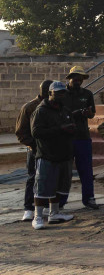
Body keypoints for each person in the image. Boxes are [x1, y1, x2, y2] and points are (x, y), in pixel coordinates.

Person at [29, 81, 76, 229]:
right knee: (42, 186)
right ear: (50, 93)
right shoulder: (41, 111)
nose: (62, 95)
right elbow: (36, 132)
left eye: (63, 92)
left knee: (59, 186)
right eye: (58, 93)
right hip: (47, 154)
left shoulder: (66, 110)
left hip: (64, 154)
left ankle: (54, 213)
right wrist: (60, 129)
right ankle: (37, 216)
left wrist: (70, 130)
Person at [60, 65, 98, 210]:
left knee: (86, 171)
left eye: (80, 78)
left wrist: (87, 113)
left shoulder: (87, 94)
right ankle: (61, 201)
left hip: (82, 136)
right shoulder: (61, 93)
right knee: (65, 172)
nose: (78, 80)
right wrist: (74, 114)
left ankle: (89, 198)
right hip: (65, 138)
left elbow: (92, 113)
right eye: (75, 78)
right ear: (69, 78)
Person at [15, 79, 51, 222]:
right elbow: (21, 132)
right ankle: (28, 208)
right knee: (33, 178)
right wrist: (34, 144)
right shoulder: (29, 107)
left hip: (50, 149)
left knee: (49, 178)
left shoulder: (55, 107)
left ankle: (47, 207)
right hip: (35, 149)